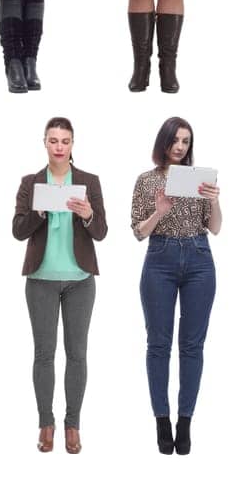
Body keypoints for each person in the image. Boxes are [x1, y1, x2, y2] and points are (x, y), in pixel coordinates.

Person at [11, 116, 107, 455]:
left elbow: (102, 232)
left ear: (72, 144)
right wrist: (38, 212)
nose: (59, 147)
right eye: (53, 140)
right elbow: (18, 231)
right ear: (45, 143)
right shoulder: (31, 182)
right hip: (41, 279)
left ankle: (73, 425)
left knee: (77, 355)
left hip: (80, 279)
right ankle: (45, 423)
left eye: (65, 141)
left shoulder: (88, 181)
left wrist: (88, 214)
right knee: (43, 355)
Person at [131, 117, 221, 455]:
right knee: (158, 345)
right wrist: (159, 211)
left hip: (199, 258)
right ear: (164, 142)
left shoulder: (199, 180)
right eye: (176, 140)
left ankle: (185, 422)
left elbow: (215, 228)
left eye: (186, 141)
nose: (181, 146)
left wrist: (212, 200)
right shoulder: (146, 180)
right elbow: (138, 231)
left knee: (192, 346)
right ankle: (162, 421)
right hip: (160, 259)